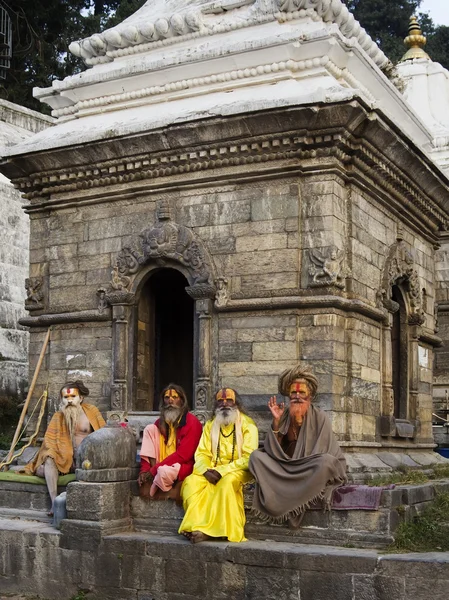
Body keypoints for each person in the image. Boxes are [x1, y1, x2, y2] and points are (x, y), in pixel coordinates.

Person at [249, 366, 347, 528]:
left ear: (310, 396)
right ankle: (291, 487)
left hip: (307, 467)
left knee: (326, 462)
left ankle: (292, 497)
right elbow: (272, 451)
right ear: (288, 395)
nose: (297, 397)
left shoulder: (320, 417)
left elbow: (320, 452)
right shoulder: (284, 414)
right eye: (293, 393)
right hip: (286, 467)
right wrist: (276, 422)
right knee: (256, 457)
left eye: (302, 393)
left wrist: (300, 466)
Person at [179, 388, 259, 543]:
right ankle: (196, 527)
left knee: (226, 483)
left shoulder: (248, 425)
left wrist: (222, 470)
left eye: (228, 400)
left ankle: (212, 532)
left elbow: (250, 457)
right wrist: (205, 471)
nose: (224, 404)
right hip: (212, 470)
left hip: (239, 470)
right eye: (220, 401)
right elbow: (201, 453)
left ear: (236, 403)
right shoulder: (210, 425)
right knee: (191, 483)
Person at [24, 381, 105, 515]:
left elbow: (103, 433)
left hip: (86, 460)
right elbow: (48, 442)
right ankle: (55, 503)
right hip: (63, 460)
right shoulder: (58, 416)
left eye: (73, 397)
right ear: (61, 399)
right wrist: (59, 454)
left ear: (81, 398)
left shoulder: (92, 411)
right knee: (48, 459)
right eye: (66, 398)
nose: (69, 400)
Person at [138, 384, 202, 500]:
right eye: (167, 398)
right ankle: (155, 482)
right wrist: (145, 471)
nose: (170, 401)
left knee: (163, 472)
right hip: (160, 464)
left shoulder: (192, 422)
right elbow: (149, 449)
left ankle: (161, 487)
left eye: (175, 397)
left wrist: (154, 470)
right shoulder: (159, 422)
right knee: (149, 429)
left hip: (181, 466)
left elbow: (184, 456)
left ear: (182, 401)